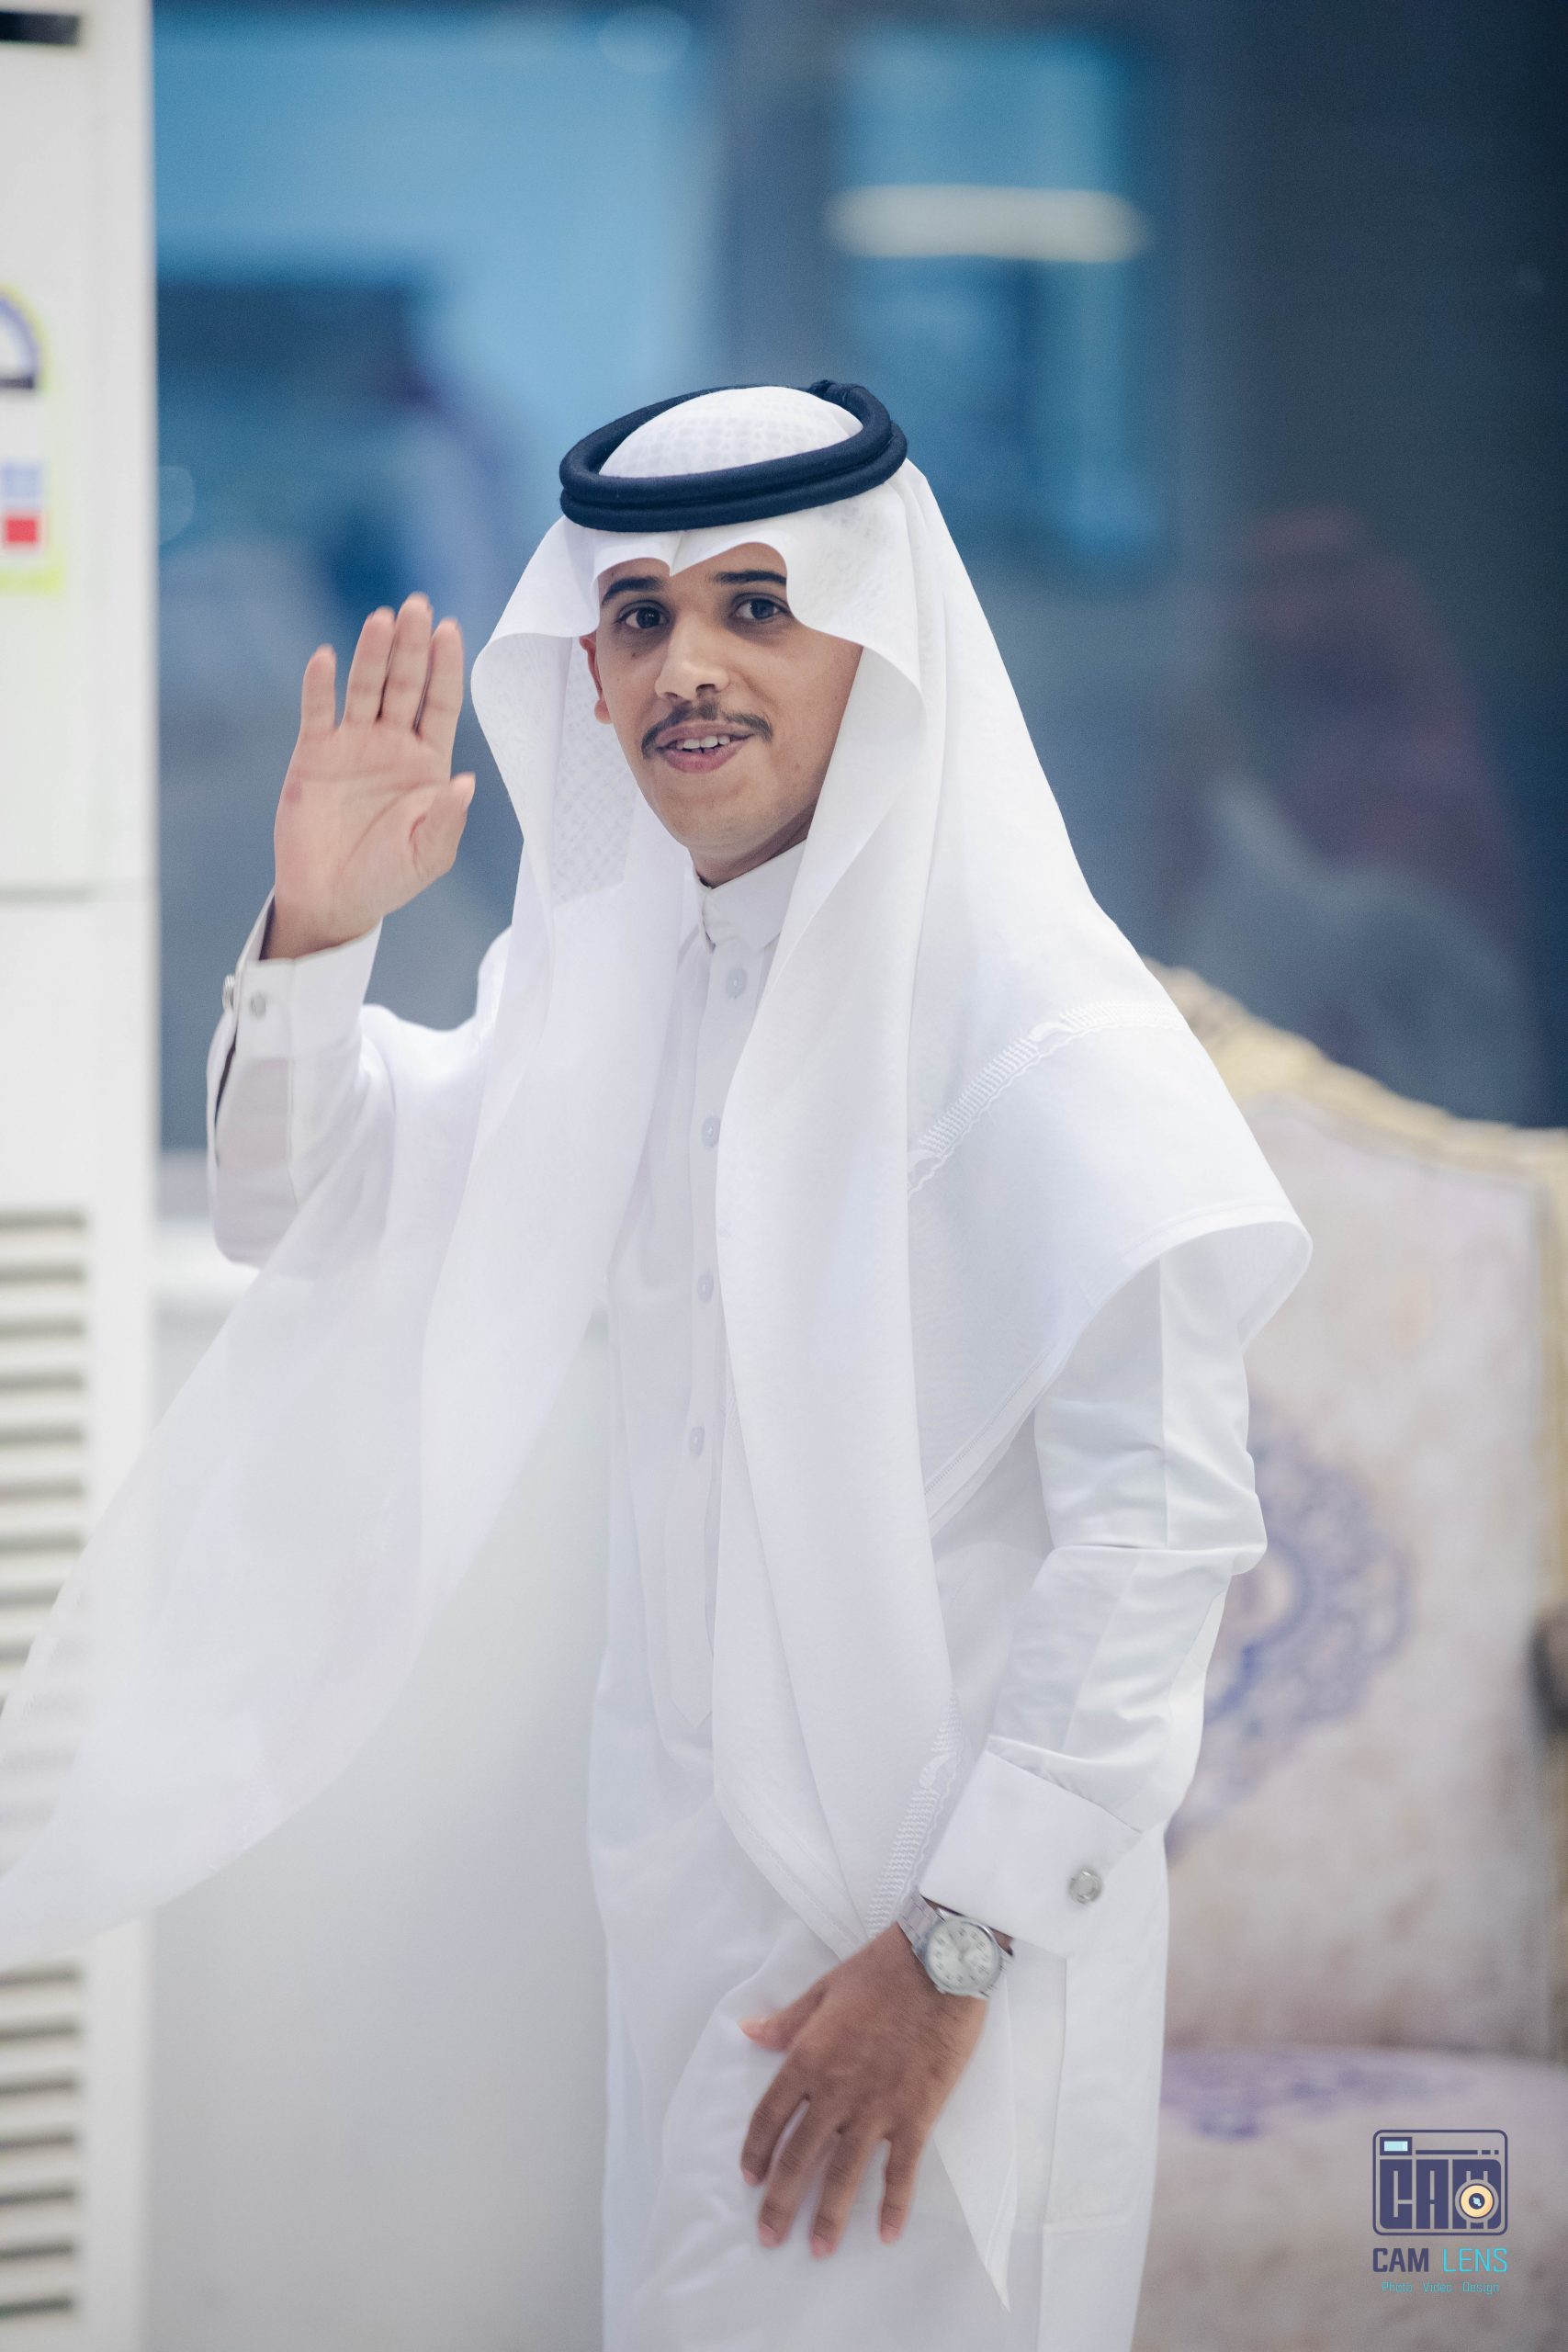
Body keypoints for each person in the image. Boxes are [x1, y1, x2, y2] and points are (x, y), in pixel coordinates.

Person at [0, 384, 1309, 2350]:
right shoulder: (621, 982)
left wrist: (947, 1957)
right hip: (683, 1895)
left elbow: (1161, 1538)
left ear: (881, 640)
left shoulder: (1039, 1032)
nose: (687, 663)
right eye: (637, 617)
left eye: (757, 605)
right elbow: (305, 1207)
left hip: (936, 1932)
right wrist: (321, 936)